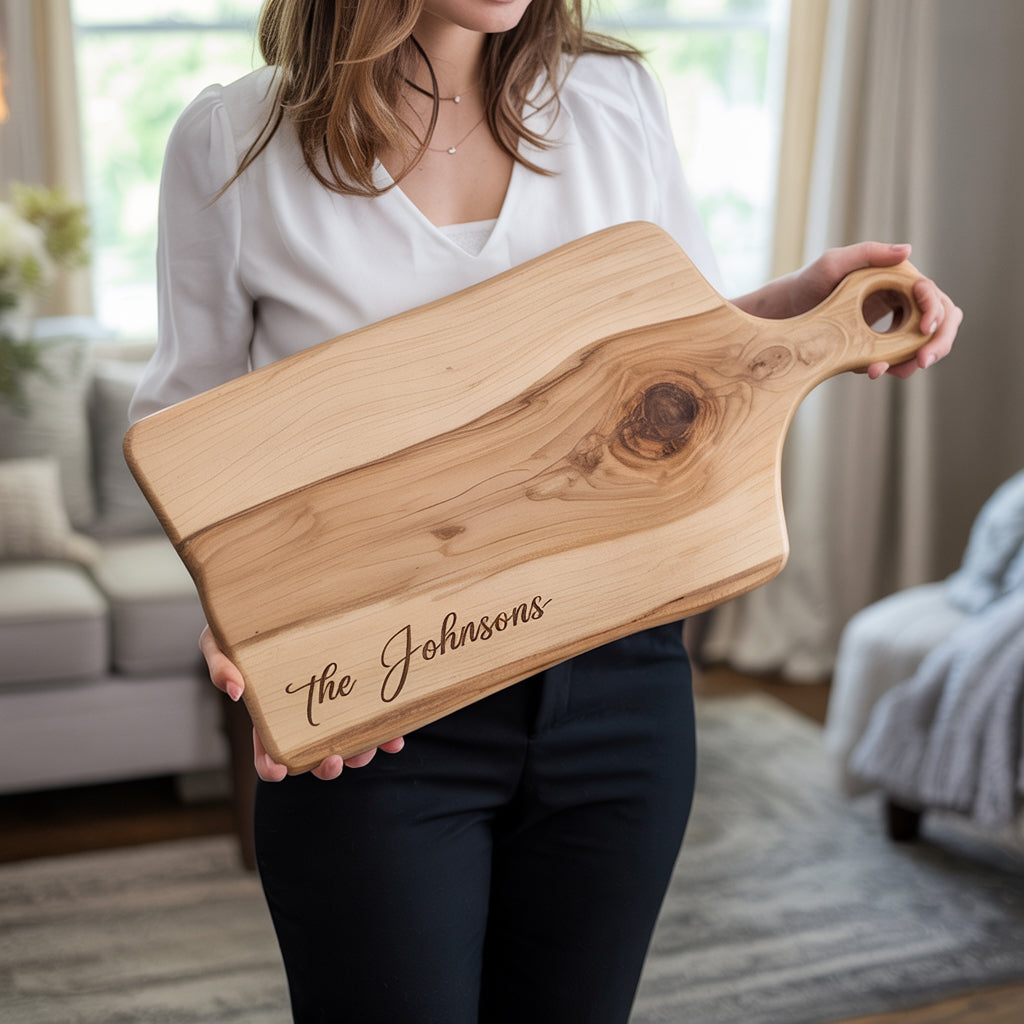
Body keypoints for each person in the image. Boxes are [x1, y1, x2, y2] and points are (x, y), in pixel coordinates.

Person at [129, 1, 961, 1021]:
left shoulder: (613, 99)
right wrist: (244, 625)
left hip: (622, 690)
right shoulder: (231, 142)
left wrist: (803, 304)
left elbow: (672, 352)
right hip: (383, 712)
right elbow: (191, 428)